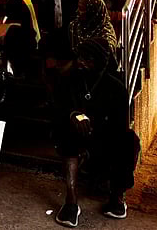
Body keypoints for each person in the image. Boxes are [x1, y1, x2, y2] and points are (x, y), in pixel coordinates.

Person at [54, 38, 140, 227]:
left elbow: (120, 126)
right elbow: (59, 108)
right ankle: (71, 202)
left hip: (104, 138)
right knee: (66, 137)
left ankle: (116, 197)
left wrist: (97, 129)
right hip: (75, 135)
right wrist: (72, 115)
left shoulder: (116, 88)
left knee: (129, 141)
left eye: (88, 59)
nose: (81, 62)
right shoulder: (71, 79)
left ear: (99, 62)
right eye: (80, 57)